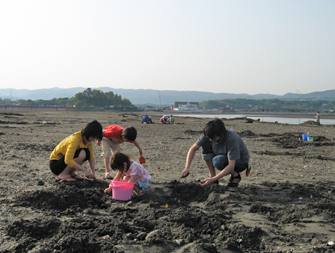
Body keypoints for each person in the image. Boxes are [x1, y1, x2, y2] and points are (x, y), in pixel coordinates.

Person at [181, 118, 250, 187]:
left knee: (218, 161)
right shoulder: (209, 133)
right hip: (223, 155)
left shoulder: (231, 138)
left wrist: (214, 179)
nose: (210, 139)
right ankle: (212, 175)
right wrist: (187, 167)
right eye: (209, 137)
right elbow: (193, 149)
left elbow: (231, 165)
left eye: (212, 138)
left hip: (240, 161)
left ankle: (235, 176)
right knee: (205, 144)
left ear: (220, 134)